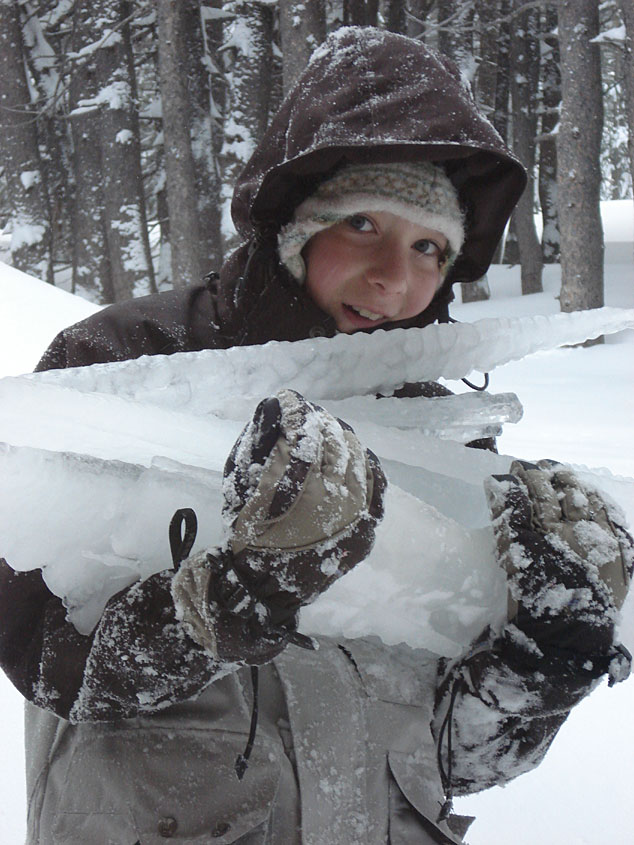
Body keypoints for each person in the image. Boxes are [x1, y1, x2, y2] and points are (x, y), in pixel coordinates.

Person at [0, 26, 632, 845]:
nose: (396, 280)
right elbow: (46, 656)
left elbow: (451, 752)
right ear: (293, 224)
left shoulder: (441, 434)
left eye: (429, 247)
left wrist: (547, 654)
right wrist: (233, 594)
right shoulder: (131, 363)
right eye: (363, 226)